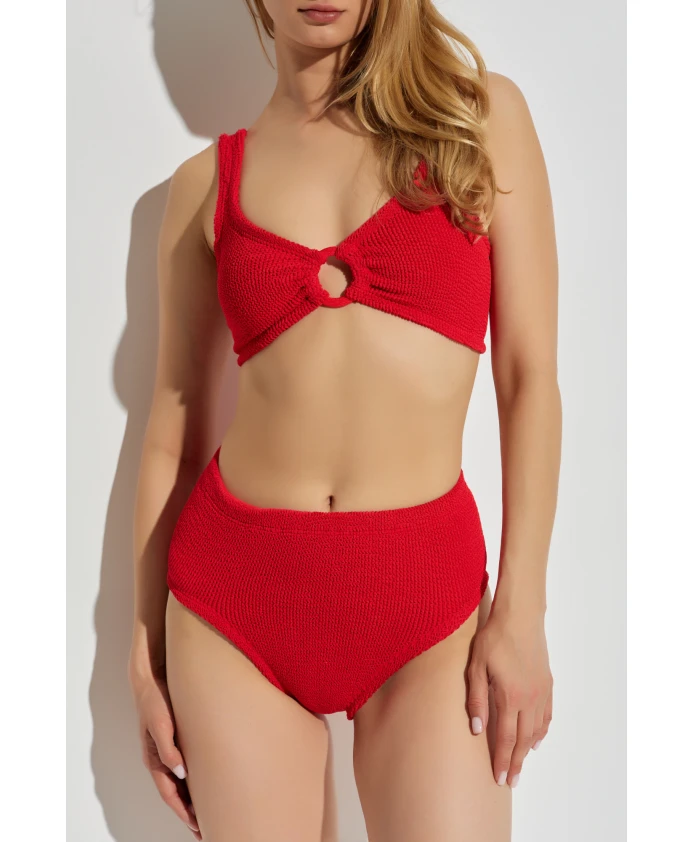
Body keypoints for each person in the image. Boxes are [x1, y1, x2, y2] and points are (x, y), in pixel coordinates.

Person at [127, 1, 561, 840]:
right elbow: (170, 433)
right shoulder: (203, 187)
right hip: (234, 608)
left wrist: (522, 612)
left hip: (426, 607)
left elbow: (529, 377)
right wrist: (142, 655)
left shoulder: (478, 121)